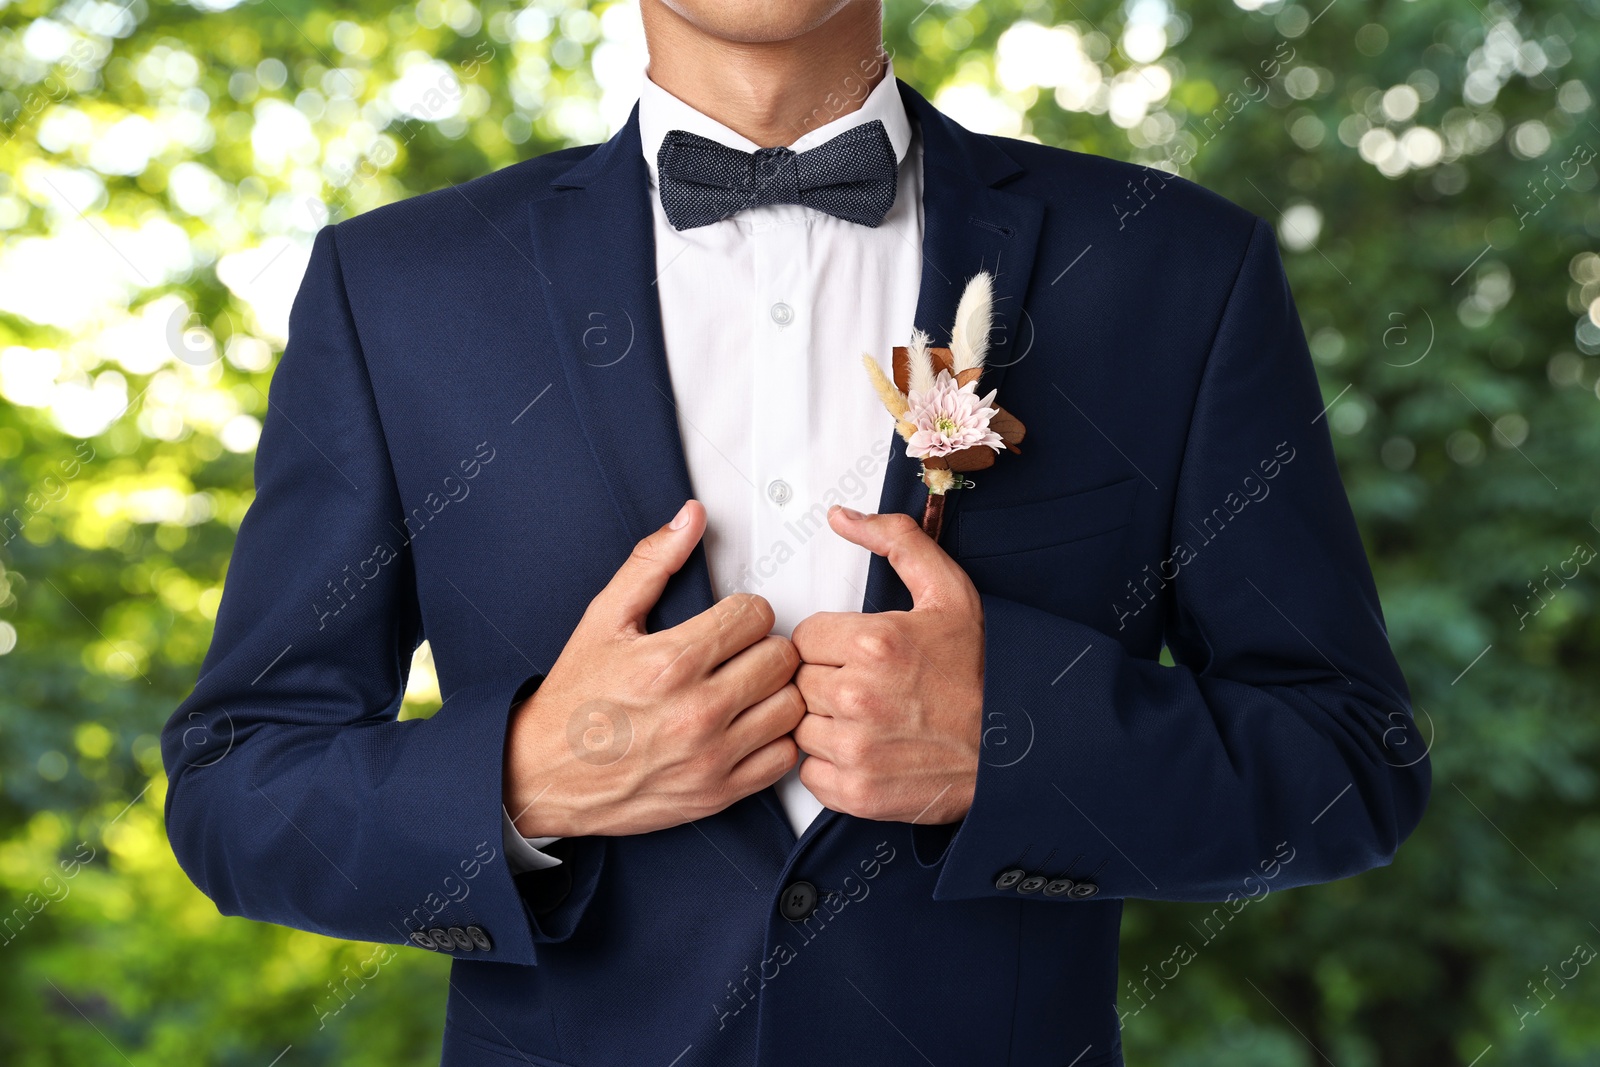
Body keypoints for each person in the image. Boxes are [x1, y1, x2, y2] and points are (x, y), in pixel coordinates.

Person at [161, 2, 1431, 1064]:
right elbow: (234, 786)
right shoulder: (398, 288)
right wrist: (520, 781)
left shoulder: (1173, 268)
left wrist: (1015, 742)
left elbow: (1349, 758)